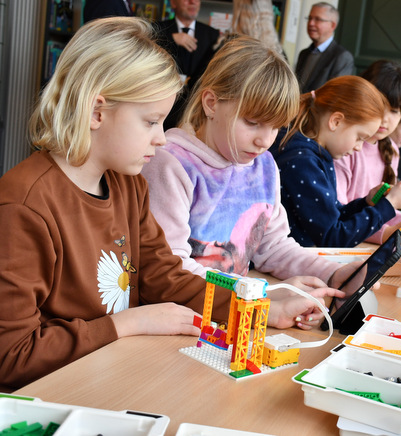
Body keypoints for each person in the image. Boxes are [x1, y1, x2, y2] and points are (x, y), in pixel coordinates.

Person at [0, 18, 343, 391]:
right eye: (151, 121)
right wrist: (127, 324)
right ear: (97, 112)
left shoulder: (128, 185)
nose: (162, 139)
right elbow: (11, 358)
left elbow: (165, 277)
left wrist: (262, 313)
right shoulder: (24, 206)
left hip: (114, 373)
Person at [142, 36, 359, 327]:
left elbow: (274, 246)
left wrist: (334, 274)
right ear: (211, 104)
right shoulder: (170, 165)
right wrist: (264, 296)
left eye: (276, 128)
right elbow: (173, 267)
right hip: (179, 320)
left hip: (236, 317)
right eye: (253, 122)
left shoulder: (264, 166)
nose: (264, 140)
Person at [270, 75, 401, 248]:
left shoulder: (316, 154)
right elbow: (332, 238)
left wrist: (366, 203)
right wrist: (389, 205)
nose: (359, 147)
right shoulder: (302, 160)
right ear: (336, 121)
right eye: (360, 137)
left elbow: (332, 216)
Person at [334, 60, 401, 243]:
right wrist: (389, 233)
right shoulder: (343, 147)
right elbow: (339, 218)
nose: (384, 119)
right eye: (378, 106)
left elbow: (387, 211)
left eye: (394, 111)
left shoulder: (392, 150)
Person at [155, 0, 221, 129]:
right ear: (173, 3)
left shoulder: (212, 34)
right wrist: (171, 37)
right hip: (162, 101)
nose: (193, 2)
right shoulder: (159, 29)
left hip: (193, 107)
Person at [295, 2, 354, 94]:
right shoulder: (303, 54)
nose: (311, 23)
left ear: (332, 25)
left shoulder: (342, 57)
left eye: (318, 19)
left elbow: (335, 94)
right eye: (310, 18)